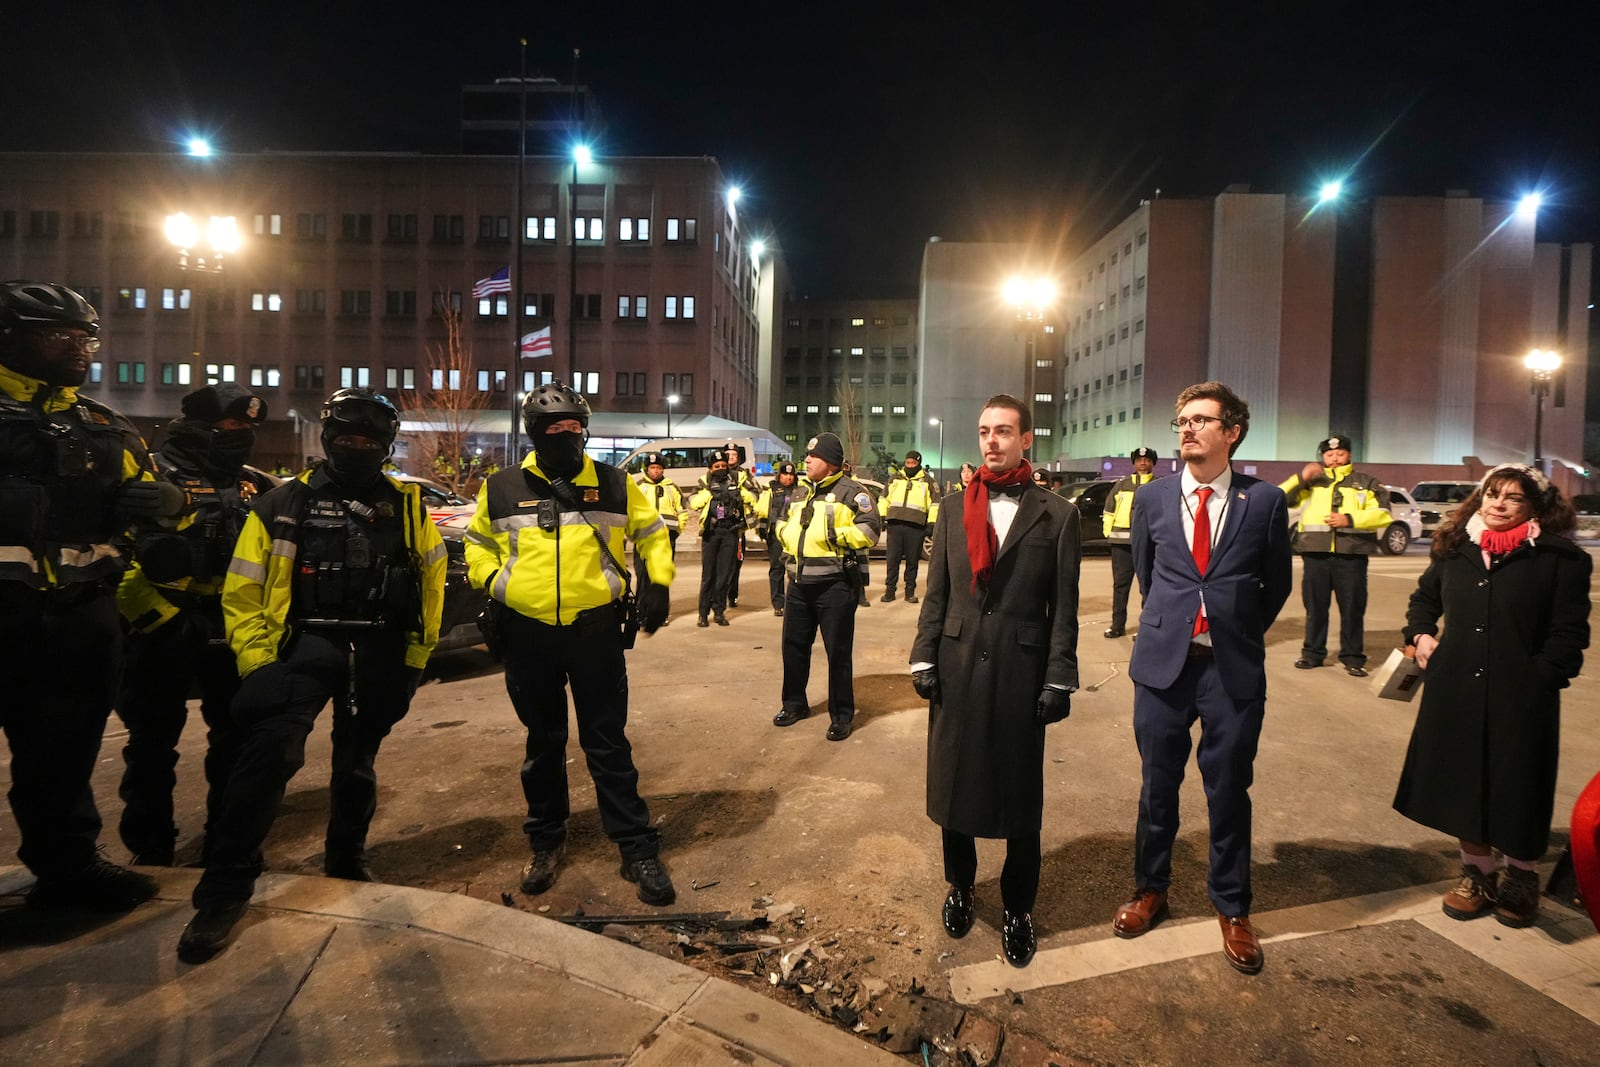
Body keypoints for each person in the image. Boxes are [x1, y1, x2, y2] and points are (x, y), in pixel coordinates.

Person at [177, 388, 448, 963]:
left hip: (376, 649)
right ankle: (224, 890)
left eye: (370, 441)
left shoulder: (406, 506)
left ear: (386, 446)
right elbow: (244, 591)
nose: (358, 448)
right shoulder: (280, 504)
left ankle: (346, 858)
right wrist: (257, 664)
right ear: (327, 440)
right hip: (303, 646)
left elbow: (429, 585)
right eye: (347, 438)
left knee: (357, 764)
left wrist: (414, 663)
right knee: (267, 761)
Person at [464, 381, 675, 907]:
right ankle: (545, 840)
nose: (566, 436)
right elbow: (477, 544)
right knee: (543, 744)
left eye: (574, 427)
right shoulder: (501, 486)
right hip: (528, 633)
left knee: (607, 743)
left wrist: (660, 581)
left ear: (585, 430)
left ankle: (634, 845)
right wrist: (496, 583)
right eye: (553, 429)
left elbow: (652, 534)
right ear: (534, 433)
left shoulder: (615, 483)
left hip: (594, 631)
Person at [0, 280, 173, 912]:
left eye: (85, 338)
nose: (79, 350)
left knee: (64, 754)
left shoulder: (103, 428)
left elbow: (156, 516)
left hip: (76, 619)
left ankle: (69, 868)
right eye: (59, 337)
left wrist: (165, 506)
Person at [1112, 381, 1291, 975]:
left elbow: (1276, 585)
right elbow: (1147, 572)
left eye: (1200, 420)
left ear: (1232, 431)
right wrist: (1176, 622)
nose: (1186, 429)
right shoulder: (1154, 499)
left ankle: (1233, 907)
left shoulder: (1262, 502)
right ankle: (1149, 889)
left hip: (1230, 669)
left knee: (1228, 790)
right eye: (1181, 420)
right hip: (1164, 667)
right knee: (1156, 787)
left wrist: (1232, 628)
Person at [910, 394, 1081, 968]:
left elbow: (1064, 608)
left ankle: (1017, 907)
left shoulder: (1057, 514)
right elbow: (937, 592)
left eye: (1004, 431)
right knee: (955, 788)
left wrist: (1059, 675)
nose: (991, 441)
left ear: (1026, 438)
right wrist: (923, 655)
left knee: (1018, 797)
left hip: (1020, 672)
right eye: (984, 430)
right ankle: (959, 886)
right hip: (956, 667)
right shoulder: (953, 507)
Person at [1393, 463, 1590, 928]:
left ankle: (1521, 877)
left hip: (1522, 693)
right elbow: (1424, 602)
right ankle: (1477, 874)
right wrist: (1421, 635)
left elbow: (1568, 632)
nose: (1498, 503)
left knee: (1519, 783)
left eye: (1513, 497)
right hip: (1455, 686)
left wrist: (1542, 678)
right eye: (1492, 493)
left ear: (1535, 506)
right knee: (1463, 780)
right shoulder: (1454, 550)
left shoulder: (1560, 559)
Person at [114, 384, 274, 866]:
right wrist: (156, 617)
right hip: (163, 624)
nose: (242, 435)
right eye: (232, 426)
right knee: (151, 745)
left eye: (249, 428)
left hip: (231, 625)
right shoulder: (151, 475)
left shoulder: (251, 484)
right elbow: (111, 552)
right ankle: (150, 848)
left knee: (236, 740)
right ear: (200, 427)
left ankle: (225, 843)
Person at [773, 432, 882, 741]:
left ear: (832, 463)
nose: (806, 460)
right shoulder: (800, 493)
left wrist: (833, 535)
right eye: (807, 456)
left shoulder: (853, 492)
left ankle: (841, 715)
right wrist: (785, 536)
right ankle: (794, 704)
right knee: (793, 649)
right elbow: (781, 523)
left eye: (814, 457)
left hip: (835, 585)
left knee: (838, 653)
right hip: (797, 582)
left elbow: (871, 531)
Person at [1280, 435, 1392, 676]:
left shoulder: (1366, 482)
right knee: (1315, 608)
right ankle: (1312, 654)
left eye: (1340, 453)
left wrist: (1349, 519)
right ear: (1322, 456)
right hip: (1315, 555)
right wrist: (1301, 478)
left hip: (1351, 554)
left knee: (1352, 608)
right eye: (1329, 454)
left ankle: (1353, 657)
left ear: (1349, 455)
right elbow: (1279, 497)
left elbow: (1383, 514)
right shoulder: (1312, 483)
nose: (1334, 458)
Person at [689, 453, 756, 626]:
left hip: (731, 532)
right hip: (711, 532)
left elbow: (755, 497)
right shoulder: (704, 482)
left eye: (723, 465)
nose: (720, 469)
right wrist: (709, 495)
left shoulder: (737, 479)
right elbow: (693, 502)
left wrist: (742, 495)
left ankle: (719, 612)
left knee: (725, 575)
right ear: (710, 468)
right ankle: (703, 614)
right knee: (708, 576)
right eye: (716, 466)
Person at [1103, 447, 1160, 638]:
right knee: (1120, 587)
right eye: (1139, 459)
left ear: (1153, 463)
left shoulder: (1159, 485)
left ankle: (1146, 629)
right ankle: (1117, 626)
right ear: (1134, 463)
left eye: (1147, 459)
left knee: (1148, 587)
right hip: (1121, 544)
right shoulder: (1122, 485)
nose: (1143, 462)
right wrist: (1107, 533)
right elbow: (1109, 510)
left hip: (1149, 545)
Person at [878, 449, 940, 604]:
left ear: (918, 463)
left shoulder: (928, 481)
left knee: (912, 562)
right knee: (892, 561)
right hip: (895, 524)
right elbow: (884, 498)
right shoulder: (895, 478)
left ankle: (909, 592)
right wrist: (881, 516)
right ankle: (890, 591)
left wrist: (932, 523)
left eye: (913, 463)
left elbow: (935, 504)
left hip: (916, 526)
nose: (910, 465)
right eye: (908, 462)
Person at [635, 452, 683, 623]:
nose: (655, 471)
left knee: (661, 577)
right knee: (642, 577)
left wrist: (676, 531)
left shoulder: (672, 488)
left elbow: (682, 511)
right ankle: (641, 614)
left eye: (659, 468)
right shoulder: (638, 487)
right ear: (647, 469)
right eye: (652, 467)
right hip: (643, 539)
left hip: (666, 539)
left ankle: (660, 615)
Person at [756, 461, 802, 615]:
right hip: (775, 535)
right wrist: (762, 529)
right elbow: (763, 510)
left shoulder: (801, 489)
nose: (788, 477)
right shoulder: (771, 489)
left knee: (795, 568)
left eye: (791, 474)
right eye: (785, 474)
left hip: (794, 534)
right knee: (777, 569)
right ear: (779, 474)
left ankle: (794, 602)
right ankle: (778, 604)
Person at [721, 442, 761, 607]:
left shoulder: (745, 475)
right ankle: (719, 596)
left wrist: (741, 493)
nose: (731, 457)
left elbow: (757, 494)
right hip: (720, 525)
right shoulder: (717, 472)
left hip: (738, 527)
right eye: (728, 454)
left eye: (734, 455)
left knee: (736, 563)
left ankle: (732, 594)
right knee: (720, 565)